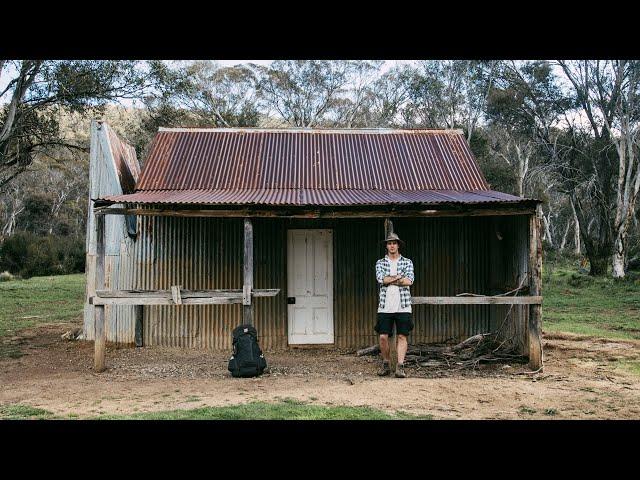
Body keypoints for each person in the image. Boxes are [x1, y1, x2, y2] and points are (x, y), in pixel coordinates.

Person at [375, 232, 415, 378]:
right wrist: (399, 277)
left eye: (394, 243)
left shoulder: (407, 262)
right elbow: (381, 279)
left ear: (398, 245)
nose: (392, 245)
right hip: (385, 305)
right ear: (386, 246)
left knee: (402, 336)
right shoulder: (380, 263)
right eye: (389, 243)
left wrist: (390, 279)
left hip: (403, 305)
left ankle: (400, 366)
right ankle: (386, 363)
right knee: (383, 337)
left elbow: (409, 281)